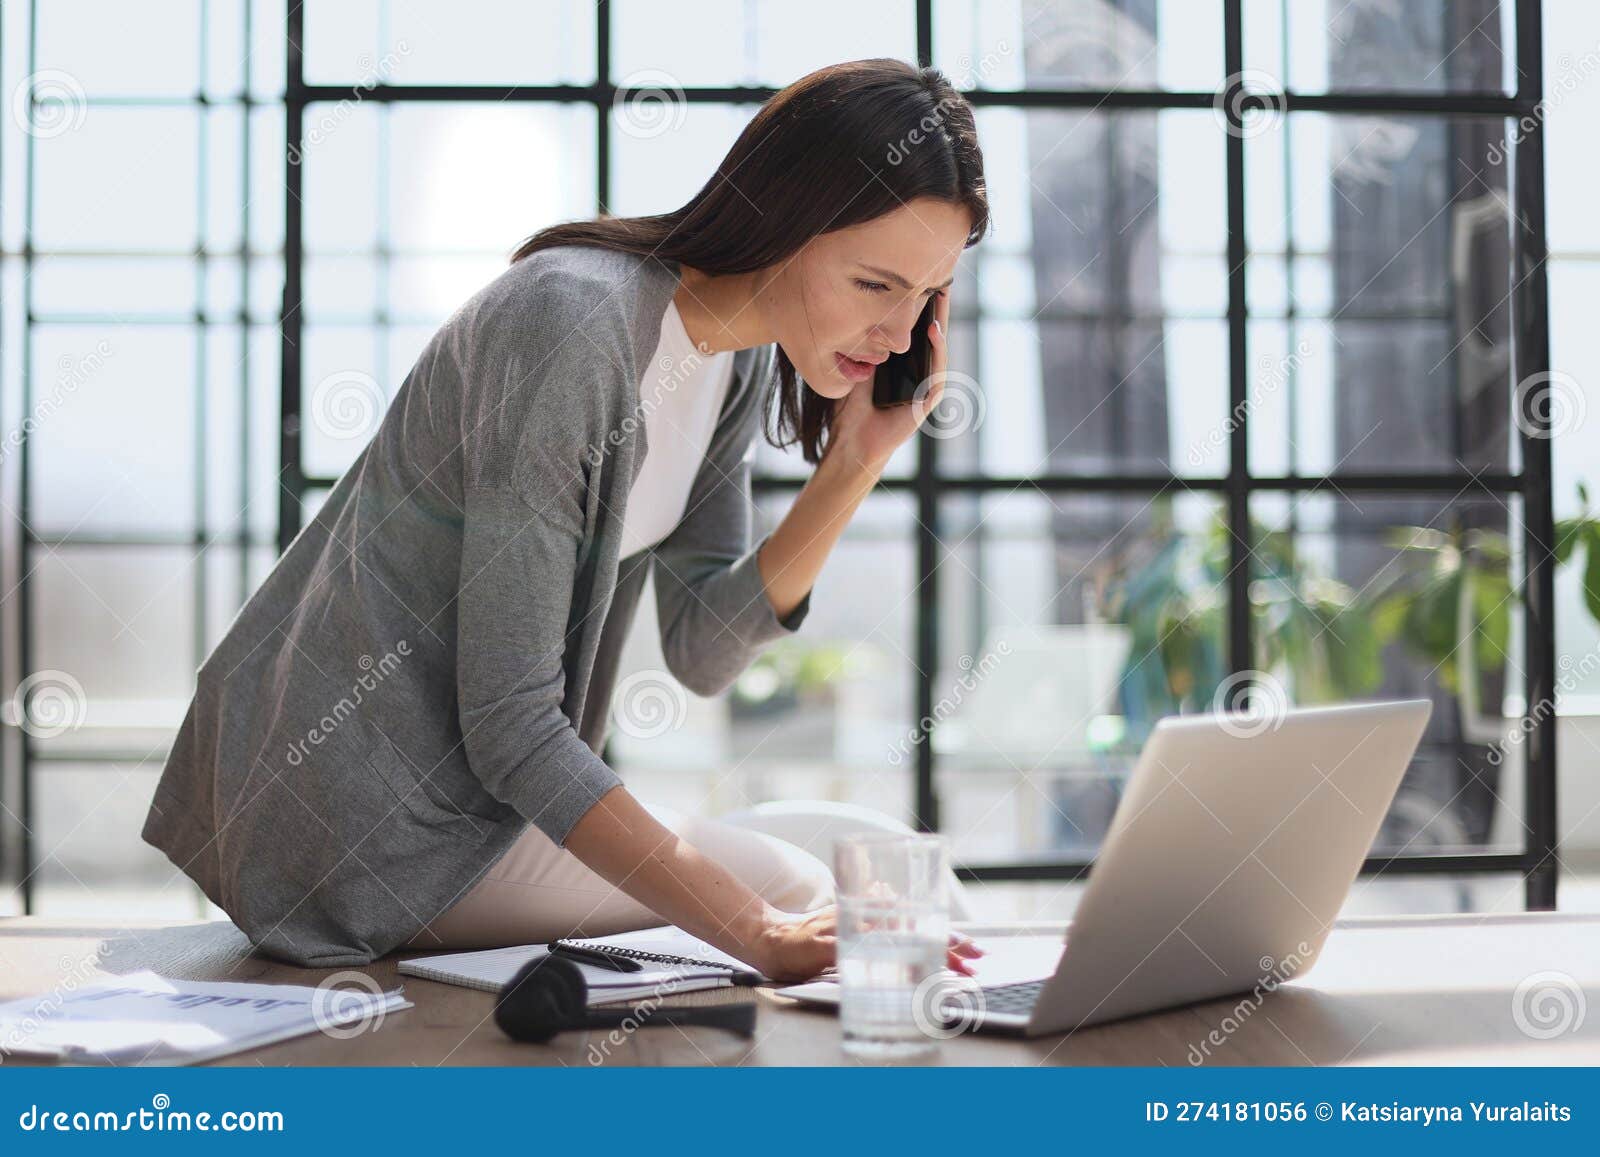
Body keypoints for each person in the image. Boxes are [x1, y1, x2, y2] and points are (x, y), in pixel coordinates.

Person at [142, 57, 989, 982]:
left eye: (926, 295)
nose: (903, 336)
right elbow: (511, 724)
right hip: (361, 821)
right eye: (875, 285)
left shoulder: (733, 363)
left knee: (860, 873)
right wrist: (756, 933)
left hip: (483, 812)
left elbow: (702, 650)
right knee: (799, 894)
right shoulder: (572, 326)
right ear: (785, 219)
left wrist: (855, 465)